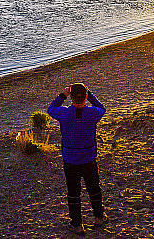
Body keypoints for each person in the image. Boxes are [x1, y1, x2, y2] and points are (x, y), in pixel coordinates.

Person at [47, 83, 108, 235]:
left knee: (73, 192)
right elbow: (102, 108)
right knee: (94, 189)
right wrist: (90, 95)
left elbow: (50, 109)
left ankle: (77, 225)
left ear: (71, 97)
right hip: (89, 157)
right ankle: (99, 217)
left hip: (70, 159)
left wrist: (62, 95)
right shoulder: (93, 113)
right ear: (85, 97)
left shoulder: (63, 113)